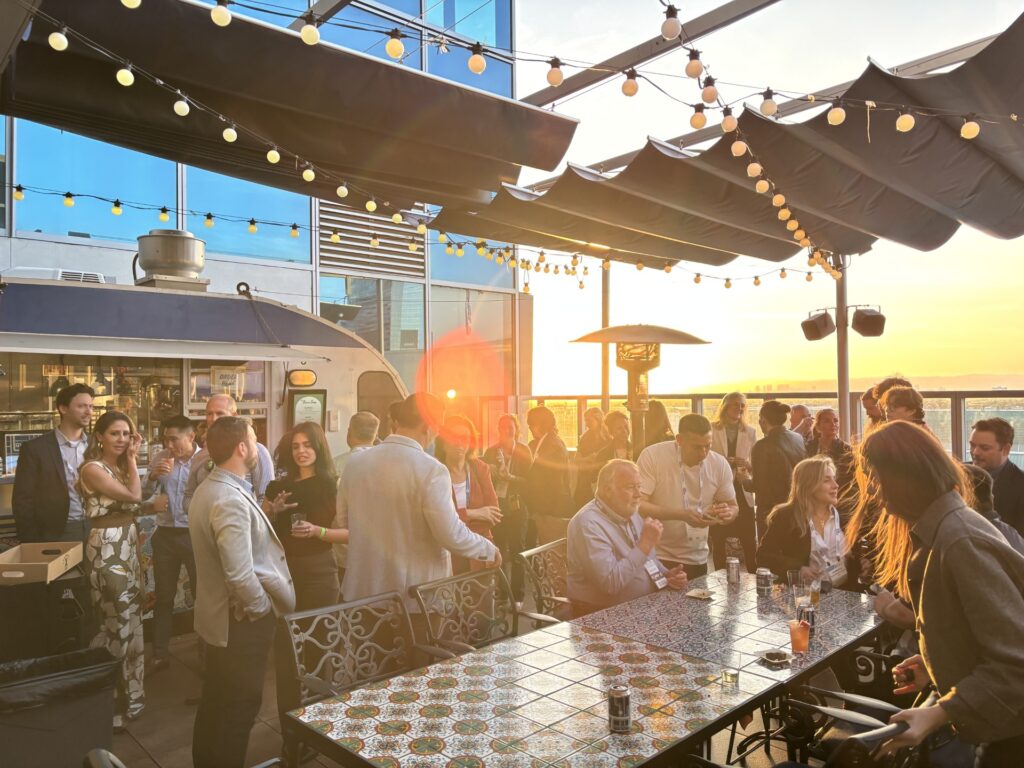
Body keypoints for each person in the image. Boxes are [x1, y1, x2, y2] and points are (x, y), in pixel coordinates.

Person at [847, 422, 1024, 767]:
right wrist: (936, 664)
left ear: (904, 478)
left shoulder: (959, 541)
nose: (872, 491)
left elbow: (1016, 661)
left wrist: (939, 712)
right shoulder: (947, 530)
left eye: (876, 478)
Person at [338, 394, 499, 627]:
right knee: (420, 651)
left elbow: (343, 521)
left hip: (362, 594)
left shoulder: (355, 463)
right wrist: (487, 549)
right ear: (427, 425)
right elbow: (450, 534)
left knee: (373, 652)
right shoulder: (431, 469)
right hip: (415, 599)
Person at [189, 416, 295, 768]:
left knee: (216, 701)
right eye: (253, 439)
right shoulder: (227, 497)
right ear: (241, 447)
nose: (257, 448)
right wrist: (262, 609)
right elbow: (238, 573)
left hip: (221, 619)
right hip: (240, 622)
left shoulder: (213, 487)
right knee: (239, 707)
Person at [78, 411, 146, 730]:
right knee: (115, 621)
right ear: (100, 436)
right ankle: (112, 700)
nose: (122, 439)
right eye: (115, 433)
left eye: (127, 434)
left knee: (132, 620)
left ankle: (133, 696)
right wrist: (133, 459)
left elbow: (135, 506)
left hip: (128, 545)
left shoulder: (120, 468)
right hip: (106, 548)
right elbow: (134, 497)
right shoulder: (93, 469)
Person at [567, 459, 688, 616]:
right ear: (607, 490)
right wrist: (645, 544)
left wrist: (666, 575)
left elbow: (647, 559)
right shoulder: (588, 523)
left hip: (644, 607)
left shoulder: (627, 510)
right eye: (630, 487)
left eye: (639, 486)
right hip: (601, 615)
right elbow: (610, 584)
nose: (638, 494)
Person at [637, 414, 739, 579]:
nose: (703, 453)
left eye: (708, 446)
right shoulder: (653, 455)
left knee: (696, 596)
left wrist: (728, 513)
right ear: (679, 440)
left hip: (697, 556)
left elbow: (733, 506)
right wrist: (681, 515)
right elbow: (638, 505)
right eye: (696, 447)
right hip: (656, 554)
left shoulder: (719, 463)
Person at [142, 414, 201, 673]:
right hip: (165, 534)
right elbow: (142, 495)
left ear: (191, 436)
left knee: (202, 595)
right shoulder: (161, 458)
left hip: (194, 534)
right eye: (166, 439)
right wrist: (152, 478)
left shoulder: (205, 461)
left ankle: (206, 654)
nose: (169, 444)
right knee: (163, 596)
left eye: (174, 439)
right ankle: (160, 654)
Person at [265, 422, 340, 610]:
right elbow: (257, 528)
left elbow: (349, 534)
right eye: (295, 446)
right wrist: (273, 511)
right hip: (282, 572)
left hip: (319, 571)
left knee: (317, 625)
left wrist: (316, 531)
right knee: (286, 626)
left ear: (319, 447)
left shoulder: (332, 486)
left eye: (308, 445)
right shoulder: (278, 488)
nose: (301, 451)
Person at [13, 383, 95, 543]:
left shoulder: (95, 445)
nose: (89, 412)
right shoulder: (35, 449)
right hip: (56, 532)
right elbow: (22, 500)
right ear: (63, 408)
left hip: (96, 528)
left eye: (91, 406)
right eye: (82, 406)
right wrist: (32, 542)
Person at [756, 456, 852, 588]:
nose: (835, 485)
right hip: (805, 593)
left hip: (844, 593)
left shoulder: (844, 514)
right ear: (809, 485)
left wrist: (862, 562)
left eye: (834, 479)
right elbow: (763, 556)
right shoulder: (787, 516)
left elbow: (855, 555)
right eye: (826, 480)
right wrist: (798, 568)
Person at [182, 394, 274, 513]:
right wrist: (209, 513)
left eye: (219, 413)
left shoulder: (255, 450)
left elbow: (265, 496)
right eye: (209, 414)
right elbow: (188, 498)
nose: (213, 418)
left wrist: (248, 517)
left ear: (234, 415)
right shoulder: (200, 456)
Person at [435, 415, 502, 574]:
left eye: (465, 438)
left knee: (481, 589)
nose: (459, 443)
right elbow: (439, 521)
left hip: (480, 551)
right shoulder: (435, 472)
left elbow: (494, 515)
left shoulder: (480, 469)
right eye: (453, 437)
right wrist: (474, 513)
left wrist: (456, 520)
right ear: (443, 442)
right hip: (449, 553)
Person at [483, 414, 533, 603]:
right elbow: (482, 478)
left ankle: (518, 596)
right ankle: (503, 594)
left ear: (516, 429)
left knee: (517, 550)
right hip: (497, 506)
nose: (506, 430)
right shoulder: (491, 452)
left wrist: (509, 477)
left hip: (517, 507)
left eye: (510, 427)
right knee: (499, 550)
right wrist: (490, 470)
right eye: (503, 427)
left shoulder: (524, 451)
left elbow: (530, 482)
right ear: (499, 429)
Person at [709, 393, 758, 572]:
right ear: (725, 406)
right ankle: (718, 576)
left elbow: (755, 465)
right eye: (736, 404)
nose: (740, 408)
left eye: (742, 405)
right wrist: (722, 462)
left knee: (748, 538)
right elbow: (705, 459)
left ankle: (753, 575)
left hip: (741, 488)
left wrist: (745, 464)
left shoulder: (750, 432)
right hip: (719, 488)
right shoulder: (712, 429)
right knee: (718, 537)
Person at [330, 411, 379, 586]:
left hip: (345, 549)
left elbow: (334, 508)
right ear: (375, 435)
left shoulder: (336, 465)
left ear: (349, 433)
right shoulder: (386, 464)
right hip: (377, 549)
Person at [750, 400, 806, 539]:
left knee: (769, 549)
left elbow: (758, 486)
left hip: (771, 510)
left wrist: (743, 479)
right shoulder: (797, 438)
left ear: (763, 420)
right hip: (796, 506)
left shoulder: (762, 446)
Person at [525, 406, 572, 544]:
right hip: (547, 509)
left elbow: (552, 482)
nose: (530, 428)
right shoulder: (543, 443)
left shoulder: (553, 446)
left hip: (551, 510)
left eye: (531, 424)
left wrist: (539, 509)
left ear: (540, 424)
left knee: (551, 549)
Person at [970, 417, 1024, 536]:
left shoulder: (1021, 485)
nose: (975, 452)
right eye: (972, 445)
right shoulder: (957, 474)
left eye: (984, 448)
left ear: (1006, 449)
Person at [961, 463, 1024, 555]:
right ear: (992, 497)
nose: (975, 454)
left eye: (985, 448)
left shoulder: (961, 536)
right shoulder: (1009, 533)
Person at [805, 408, 855, 516]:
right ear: (818, 426)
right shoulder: (809, 447)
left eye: (835, 420)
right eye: (827, 421)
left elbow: (850, 479)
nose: (833, 424)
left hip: (839, 500)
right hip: (812, 500)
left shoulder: (846, 449)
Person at [573, 407, 608, 509]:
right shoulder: (585, 437)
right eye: (585, 421)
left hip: (603, 477)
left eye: (589, 420)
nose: (586, 424)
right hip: (586, 480)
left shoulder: (608, 436)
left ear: (598, 419)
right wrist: (589, 458)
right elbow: (576, 460)